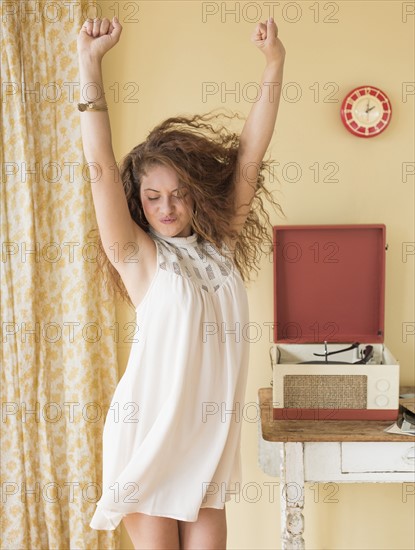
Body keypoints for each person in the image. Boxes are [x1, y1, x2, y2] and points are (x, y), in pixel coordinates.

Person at [77, 14, 285, 550]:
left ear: (196, 193)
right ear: (138, 202)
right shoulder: (138, 256)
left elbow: (250, 156)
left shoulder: (220, 247)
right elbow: (100, 167)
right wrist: (90, 63)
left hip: (206, 449)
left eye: (178, 193)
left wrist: (274, 65)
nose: (167, 207)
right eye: (153, 197)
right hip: (149, 439)